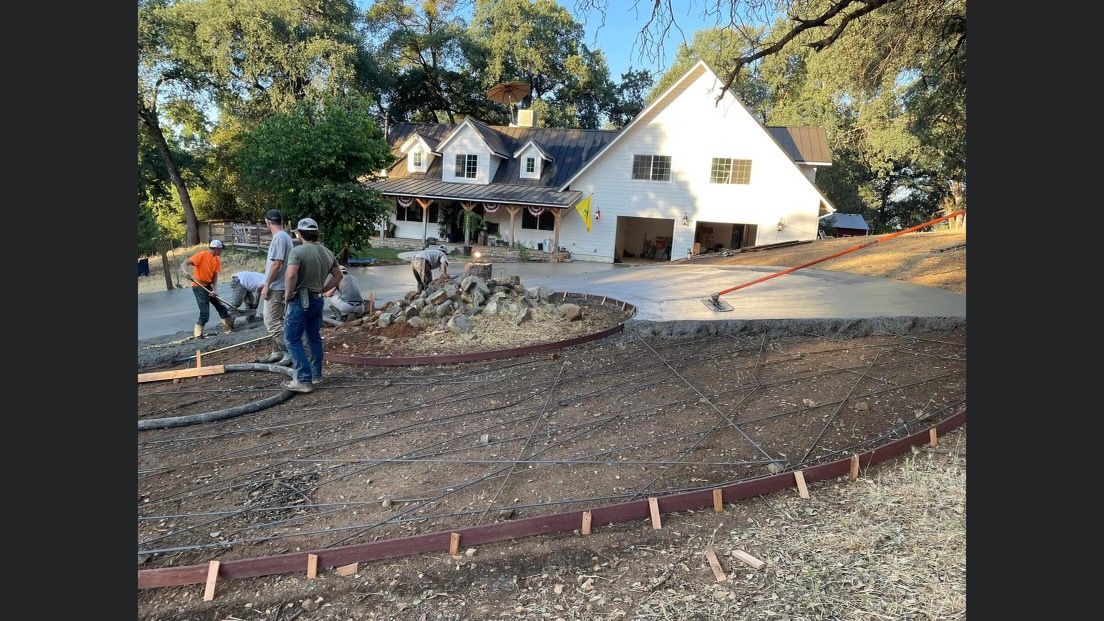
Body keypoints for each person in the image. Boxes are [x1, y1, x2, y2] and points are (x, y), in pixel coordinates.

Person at [282, 217, 342, 393]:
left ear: (300, 234)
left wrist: (288, 294)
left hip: (300, 299)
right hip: (317, 300)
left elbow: (291, 275)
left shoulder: (298, 252)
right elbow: (338, 276)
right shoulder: (327, 252)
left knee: (292, 339)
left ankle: (303, 379)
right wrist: (322, 289)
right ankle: (316, 375)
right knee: (313, 337)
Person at [259, 209, 295, 365]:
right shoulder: (284, 236)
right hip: (280, 286)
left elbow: (277, 263)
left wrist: (267, 284)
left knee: (271, 321)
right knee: (278, 320)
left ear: (267, 222)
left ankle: (289, 354)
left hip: (276, 287)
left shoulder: (279, 238)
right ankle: (277, 352)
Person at [180, 239, 233, 338]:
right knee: (205, 313)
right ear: (216, 249)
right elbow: (184, 263)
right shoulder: (202, 255)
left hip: (208, 286)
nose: (222, 251)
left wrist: (215, 290)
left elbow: (214, 276)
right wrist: (186, 273)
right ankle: (198, 335)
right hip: (199, 287)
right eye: (221, 249)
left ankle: (228, 329)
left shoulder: (216, 259)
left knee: (221, 307)